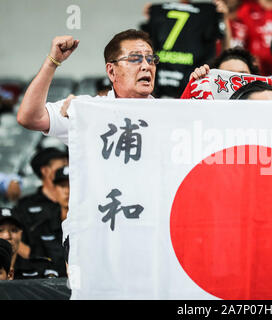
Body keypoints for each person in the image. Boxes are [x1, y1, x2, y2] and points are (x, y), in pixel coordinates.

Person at [17, 29, 158, 146]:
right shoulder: (87, 112)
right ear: (111, 71)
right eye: (135, 59)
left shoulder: (167, 113)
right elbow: (30, 118)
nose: (146, 66)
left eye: (151, 59)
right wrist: (52, 62)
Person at [140, 0, 229, 98]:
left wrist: (223, 18)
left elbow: (226, 51)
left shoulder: (209, 10)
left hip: (177, 84)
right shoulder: (207, 11)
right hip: (170, 87)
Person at [12, 147, 68, 278]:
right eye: (63, 164)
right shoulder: (25, 206)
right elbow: (18, 244)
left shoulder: (77, 202)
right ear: (45, 171)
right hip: (38, 278)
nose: (68, 167)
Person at [0, 207, 25, 279]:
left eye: (14, 230)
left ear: (21, 234)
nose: (7, 236)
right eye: (0, 230)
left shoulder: (38, 269)